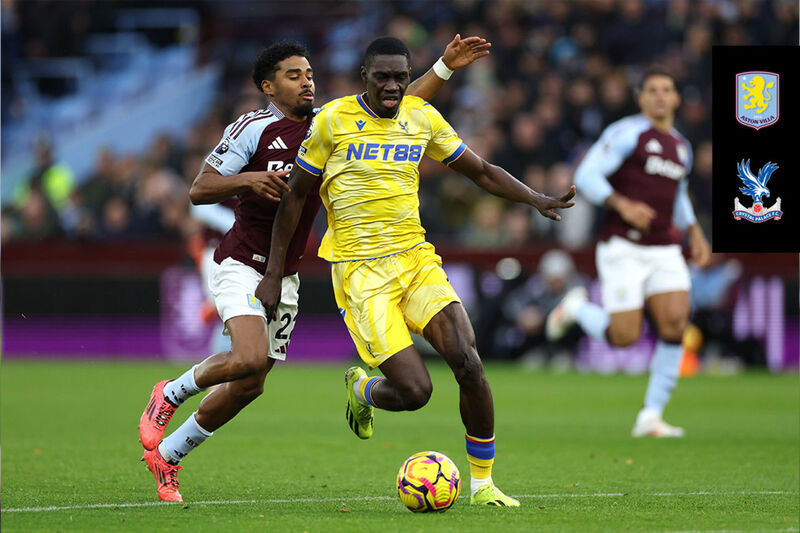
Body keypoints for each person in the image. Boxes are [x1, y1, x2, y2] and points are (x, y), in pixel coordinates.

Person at [138, 36, 493, 502]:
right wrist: (249, 178)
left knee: (249, 385)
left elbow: (403, 102)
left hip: (285, 272)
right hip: (243, 262)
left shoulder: (331, 120)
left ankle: (169, 454)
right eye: (293, 75)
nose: (307, 81)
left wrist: (444, 67)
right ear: (268, 86)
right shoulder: (253, 128)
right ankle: (169, 392)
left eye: (309, 73)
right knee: (245, 358)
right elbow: (200, 189)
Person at [257, 37, 575, 507]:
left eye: (400, 78)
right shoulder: (332, 120)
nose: (391, 86)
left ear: (409, 79)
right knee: (415, 391)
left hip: (415, 261)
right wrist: (273, 271)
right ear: (363, 77)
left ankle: (484, 485)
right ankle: (363, 389)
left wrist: (534, 197)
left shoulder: (421, 118)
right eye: (381, 77)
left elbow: (481, 170)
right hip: (361, 273)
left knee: (468, 361)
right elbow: (296, 196)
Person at [546, 69, 711, 438]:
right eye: (651, 90)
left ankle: (650, 416)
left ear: (676, 98)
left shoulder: (681, 146)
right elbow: (586, 174)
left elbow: (678, 194)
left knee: (675, 325)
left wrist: (694, 231)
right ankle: (576, 309)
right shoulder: (627, 133)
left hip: (665, 246)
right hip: (623, 246)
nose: (659, 96)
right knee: (624, 337)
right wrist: (622, 204)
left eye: (666, 90)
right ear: (640, 98)